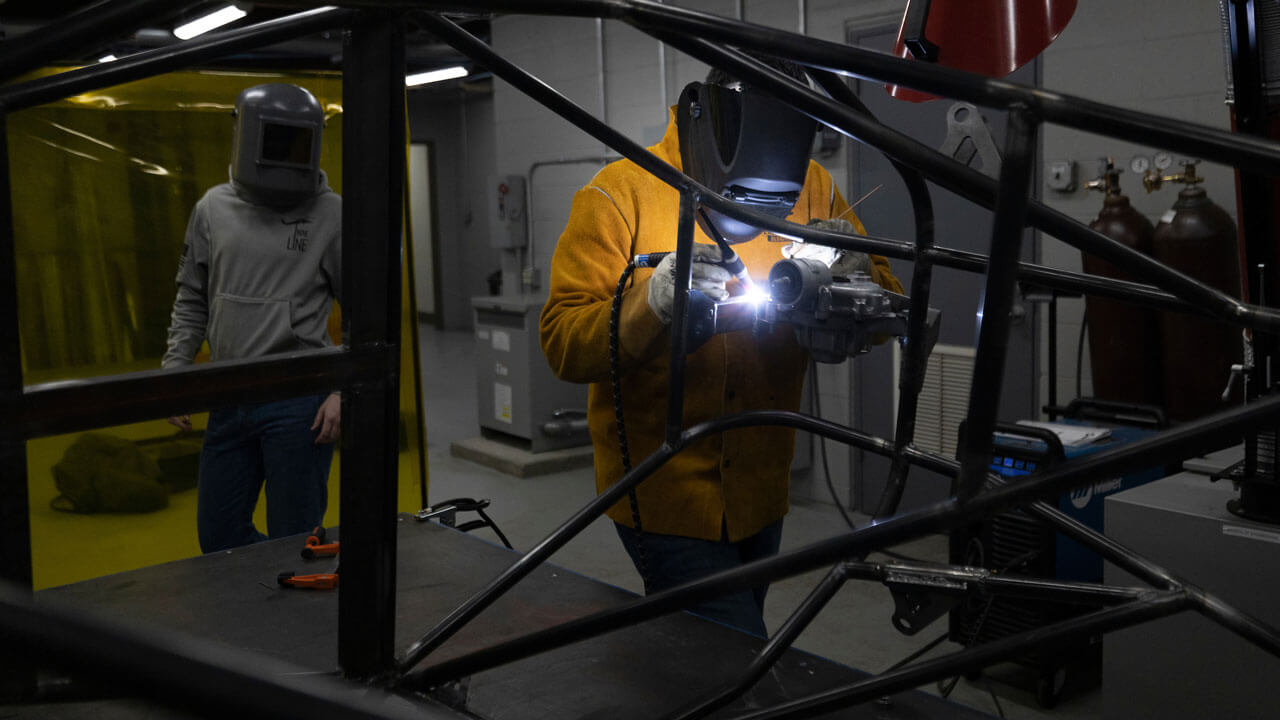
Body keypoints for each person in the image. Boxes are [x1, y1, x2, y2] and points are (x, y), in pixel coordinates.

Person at [539, 61, 903, 636]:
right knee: (737, 647)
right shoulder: (619, 194)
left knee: (705, 655)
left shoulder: (812, 186)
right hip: (662, 490)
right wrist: (651, 302)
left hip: (762, 489)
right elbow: (562, 344)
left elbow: (888, 306)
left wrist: (858, 276)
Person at [162, 83, 342, 554]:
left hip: (298, 402)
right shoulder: (212, 209)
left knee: (294, 537)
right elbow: (192, 296)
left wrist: (342, 392)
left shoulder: (331, 214)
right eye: (275, 141)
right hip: (228, 394)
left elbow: (367, 312)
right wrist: (176, 370)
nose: (286, 156)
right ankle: (270, 584)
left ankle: (293, 593)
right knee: (218, 538)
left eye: (297, 142)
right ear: (245, 136)